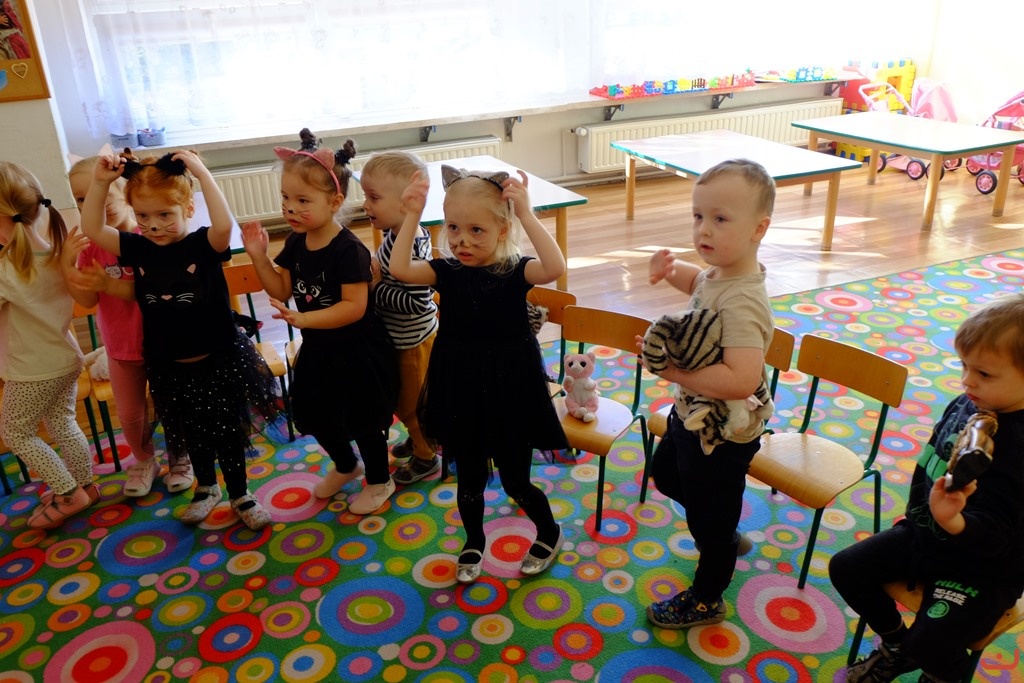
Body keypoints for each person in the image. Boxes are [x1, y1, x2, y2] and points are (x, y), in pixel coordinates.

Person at [79, 149, 279, 531]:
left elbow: (224, 225)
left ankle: (240, 493)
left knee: (227, 431)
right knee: (190, 432)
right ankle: (206, 488)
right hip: (168, 365)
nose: (153, 226)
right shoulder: (136, 247)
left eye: (164, 215)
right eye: (143, 216)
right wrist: (101, 183)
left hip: (218, 359)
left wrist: (203, 174)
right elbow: (93, 228)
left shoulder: (203, 245)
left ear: (188, 208)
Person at [830, 292, 1024, 683]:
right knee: (846, 568)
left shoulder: (1018, 445)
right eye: (964, 366)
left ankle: (941, 675)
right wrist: (932, 519)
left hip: (982, 570)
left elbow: (1000, 534)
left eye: (984, 374)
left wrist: (954, 521)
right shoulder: (969, 403)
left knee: (931, 645)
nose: (967, 380)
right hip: (926, 535)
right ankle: (896, 645)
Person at [390, 163, 568, 584]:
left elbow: (554, 266)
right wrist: (412, 215)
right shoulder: (446, 272)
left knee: (516, 482)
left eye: (476, 230)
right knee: (468, 480)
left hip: (511, 391)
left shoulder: (516, 271)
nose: (461, 241)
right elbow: (400, 269)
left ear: (502, 230)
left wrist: (526, 213)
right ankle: (473, 540)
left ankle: (549, 531)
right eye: (453, 228)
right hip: (462, 390)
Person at [641, 158, 775, 628]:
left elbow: (741, 379)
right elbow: (696, 283)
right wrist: (669, 270)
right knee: (666, 475)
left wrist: (674, 372)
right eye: (698, 216)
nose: (704, 229)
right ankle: (722, 531)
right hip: (693, 416)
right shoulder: (719, 275)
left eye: (720, 219)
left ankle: (707, 597)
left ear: (758, 229)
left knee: (709, 523)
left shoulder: (744, 301)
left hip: (723, 434)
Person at [241, 129, 398, 515]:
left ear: (335, 202)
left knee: (362, 419)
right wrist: (259, 257)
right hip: (320, 347)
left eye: (302, 200)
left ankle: (380, 480)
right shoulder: (297, 241)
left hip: (357, 351)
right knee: (311, 411)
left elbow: (354, 307)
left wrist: (305, 317)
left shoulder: (349, 250)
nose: (290, 208)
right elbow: (281, 288)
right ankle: (346, 466)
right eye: (285, 198)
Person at [64, 154, 194, 498]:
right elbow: (87, 300)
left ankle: (180, 457)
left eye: (105, 190)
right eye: (82, 198)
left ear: (127, 193)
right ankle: (144, 460)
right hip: (120, 347)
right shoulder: (92, 247)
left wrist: (109, 284)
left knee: (173, 406)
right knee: (130, 414)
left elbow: (157, 288)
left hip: (163, 344)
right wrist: (68, 266)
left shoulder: (152, 235)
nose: (97, 201)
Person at [0, 161, 95, 529]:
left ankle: (68, 492)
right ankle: (85, 485)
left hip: (32, 370)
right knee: (62, 422)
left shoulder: (8, 268)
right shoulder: (57, 252)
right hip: (66, 359)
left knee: (16, 433)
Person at [360, 150, 440, 483]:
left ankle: (426, 457)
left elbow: (418, 302)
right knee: (406, 399)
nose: (365, 205)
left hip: (413, 343)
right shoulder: (395, 234)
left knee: (412, 404)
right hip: (402, 339)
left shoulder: (409, 244)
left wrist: (376, 287)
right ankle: (421, 437)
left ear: (406, 204)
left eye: (374, 197)